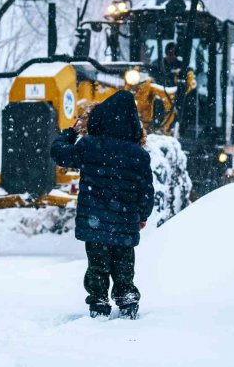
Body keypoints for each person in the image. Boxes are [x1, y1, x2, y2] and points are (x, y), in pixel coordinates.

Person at [50, 91, 155, 320]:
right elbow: (146, 191)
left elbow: (59, 154)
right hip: (126, 221)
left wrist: (70, 132)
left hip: (95, 221)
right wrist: (143, 215)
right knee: (123, 264)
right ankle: (126, 300)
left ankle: (98, 303)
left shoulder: (89, 146)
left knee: (97, 264)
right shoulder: (138, 154)